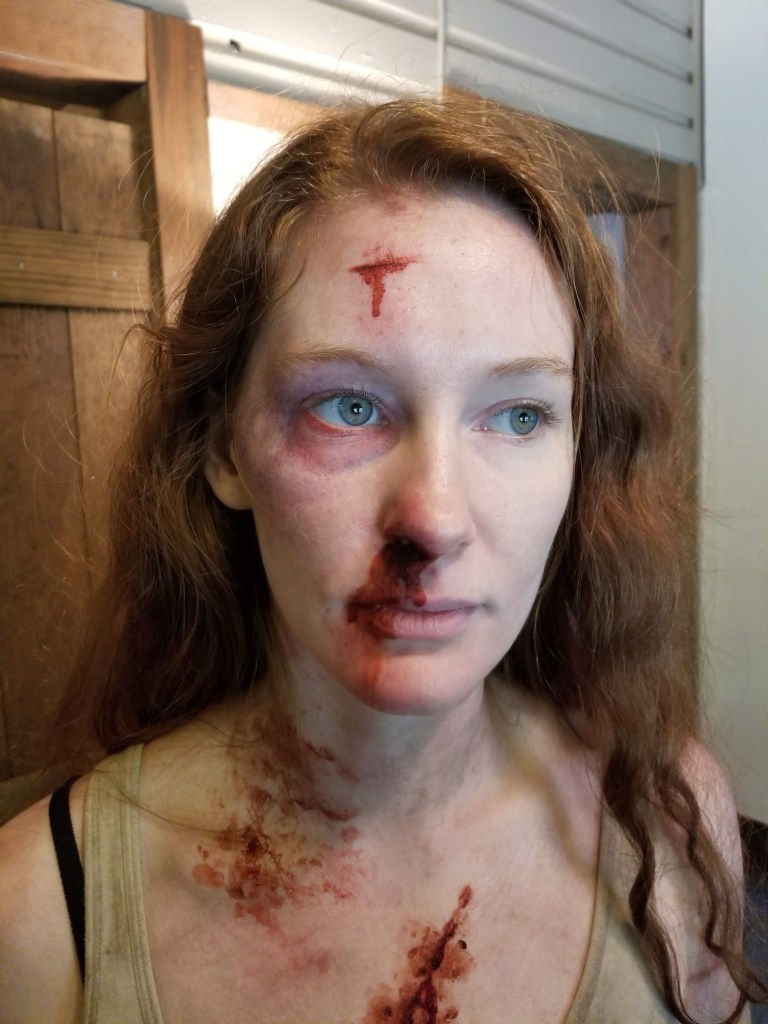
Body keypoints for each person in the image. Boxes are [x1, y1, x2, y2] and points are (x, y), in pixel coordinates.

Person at [0, 92, 763, 1024]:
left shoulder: (670, 818)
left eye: (519, 414)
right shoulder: (37, 917)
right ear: (223, 448)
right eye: (348, 407)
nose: (433, 519)